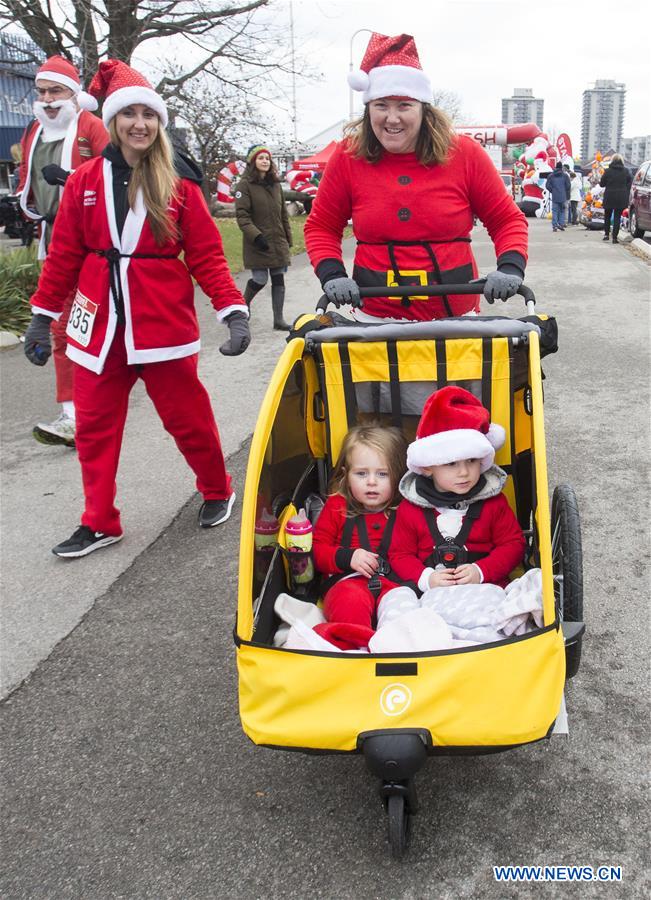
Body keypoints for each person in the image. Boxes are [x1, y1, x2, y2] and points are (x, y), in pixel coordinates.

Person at [23, 59, 250, 558]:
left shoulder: (179, 184)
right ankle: (99, 521)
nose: (139, 124)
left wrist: (232, 310)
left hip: (161, 326)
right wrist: (42, 317)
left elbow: (207, 256)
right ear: (113, 121)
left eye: (149, 115)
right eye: (130, 114)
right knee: (93, 430)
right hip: (98, 327)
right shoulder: (85, 180)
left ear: (159, 123)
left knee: (188, 420)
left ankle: (217, 489)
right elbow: (64, 256)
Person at [304, 32, 528, 322]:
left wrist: (510, 266)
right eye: (381, 105)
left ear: (424, 110)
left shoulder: (465, 154)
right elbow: (322, 226)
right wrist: (332, 274)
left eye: (404, 105)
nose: (392, 118)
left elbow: (506, 219)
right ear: (368, 110)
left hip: (455, 317)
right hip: (374, 317)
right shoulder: (348, 156)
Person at [19, 56, 109, 448]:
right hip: (53, 239)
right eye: (41, 92)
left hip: (92, 244)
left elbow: (115, 176)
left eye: (55, 91)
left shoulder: (92, 127)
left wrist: (71, 180)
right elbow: (27, 178)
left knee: (88, 324)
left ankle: (95, 407)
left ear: (73, 94)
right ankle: (73, 414)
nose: (48, 99)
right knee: (59, 325)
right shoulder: (34, 131)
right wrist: (29, 207)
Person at [389, 386, 526, 591]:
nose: (464, 472)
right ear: (427, 466)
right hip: (432, 593)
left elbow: (513, 544)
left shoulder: (494, 504)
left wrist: (481, 571)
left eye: (472, 460)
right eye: (451, 463)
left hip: (485, 589)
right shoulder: (410, 510)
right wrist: (426, 578)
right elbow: (400, 555)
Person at [311, 424, 413, 650]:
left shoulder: (406, 509)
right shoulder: (337, 505)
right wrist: (347, 557)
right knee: (349, 601)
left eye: (382, 474)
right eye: (361, 473)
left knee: (407, 607)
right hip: (349, 580)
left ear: (398, 477)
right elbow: (317, 551)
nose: (371, 482)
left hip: (395, 584)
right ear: (346, 476)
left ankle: (397, 650)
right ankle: (357, 650)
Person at [234, 144, 293, 331]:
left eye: (267, 158)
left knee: (278, 279)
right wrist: (257, 236)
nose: (265, 161)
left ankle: (279, 320)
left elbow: (283, 214)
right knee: (260, 280)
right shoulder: (244, 185)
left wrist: (288, 238)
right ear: (253, 161)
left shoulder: (275, 185)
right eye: (261, 158)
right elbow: (242, 216)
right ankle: (243, 305)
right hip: (258, 243)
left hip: (278, 241)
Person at [600, 154, 632, 244]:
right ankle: (614, 238)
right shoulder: (626, 171)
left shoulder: (607, 171)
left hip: (609, 196)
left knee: (607, 215)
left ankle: (606, 235)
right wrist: (624, 190)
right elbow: (630, 183)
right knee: (617, 217)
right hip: (621, 197)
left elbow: (602, 184)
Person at [545, 162, 571, 233]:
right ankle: (561, 224)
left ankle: (555, 226)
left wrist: (553, 190)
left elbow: (547, 185)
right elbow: (568, 186)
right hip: (563, 196)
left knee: (555, 211)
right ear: (561, 167)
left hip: (555, 196)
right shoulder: (565, 175)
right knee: (562, 211)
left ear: (556, 167)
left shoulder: (551, 175)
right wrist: (564, 191)